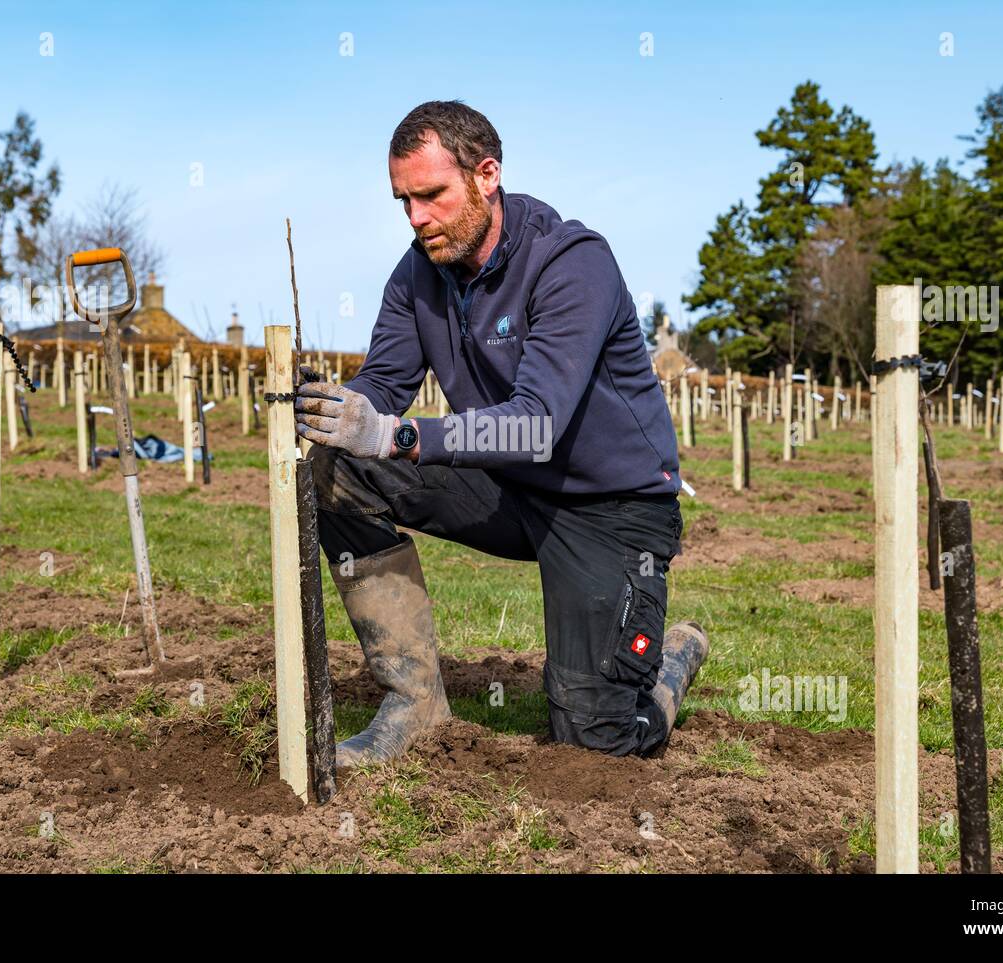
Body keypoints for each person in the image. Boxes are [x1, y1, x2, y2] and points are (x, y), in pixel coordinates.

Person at [295, 100, 709, 769]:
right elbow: (383, 386)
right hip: (509, 490)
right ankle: (415, 704)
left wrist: (397, 436)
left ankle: (670, 664)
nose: (417, 218)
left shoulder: (571, 262)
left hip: (611, 509)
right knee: (338, 472)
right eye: (404, 201)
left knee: (595, 739)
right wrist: (341, 413)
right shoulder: (417, 273)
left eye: (432, 195)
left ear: (487, 174)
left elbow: (537, 424)